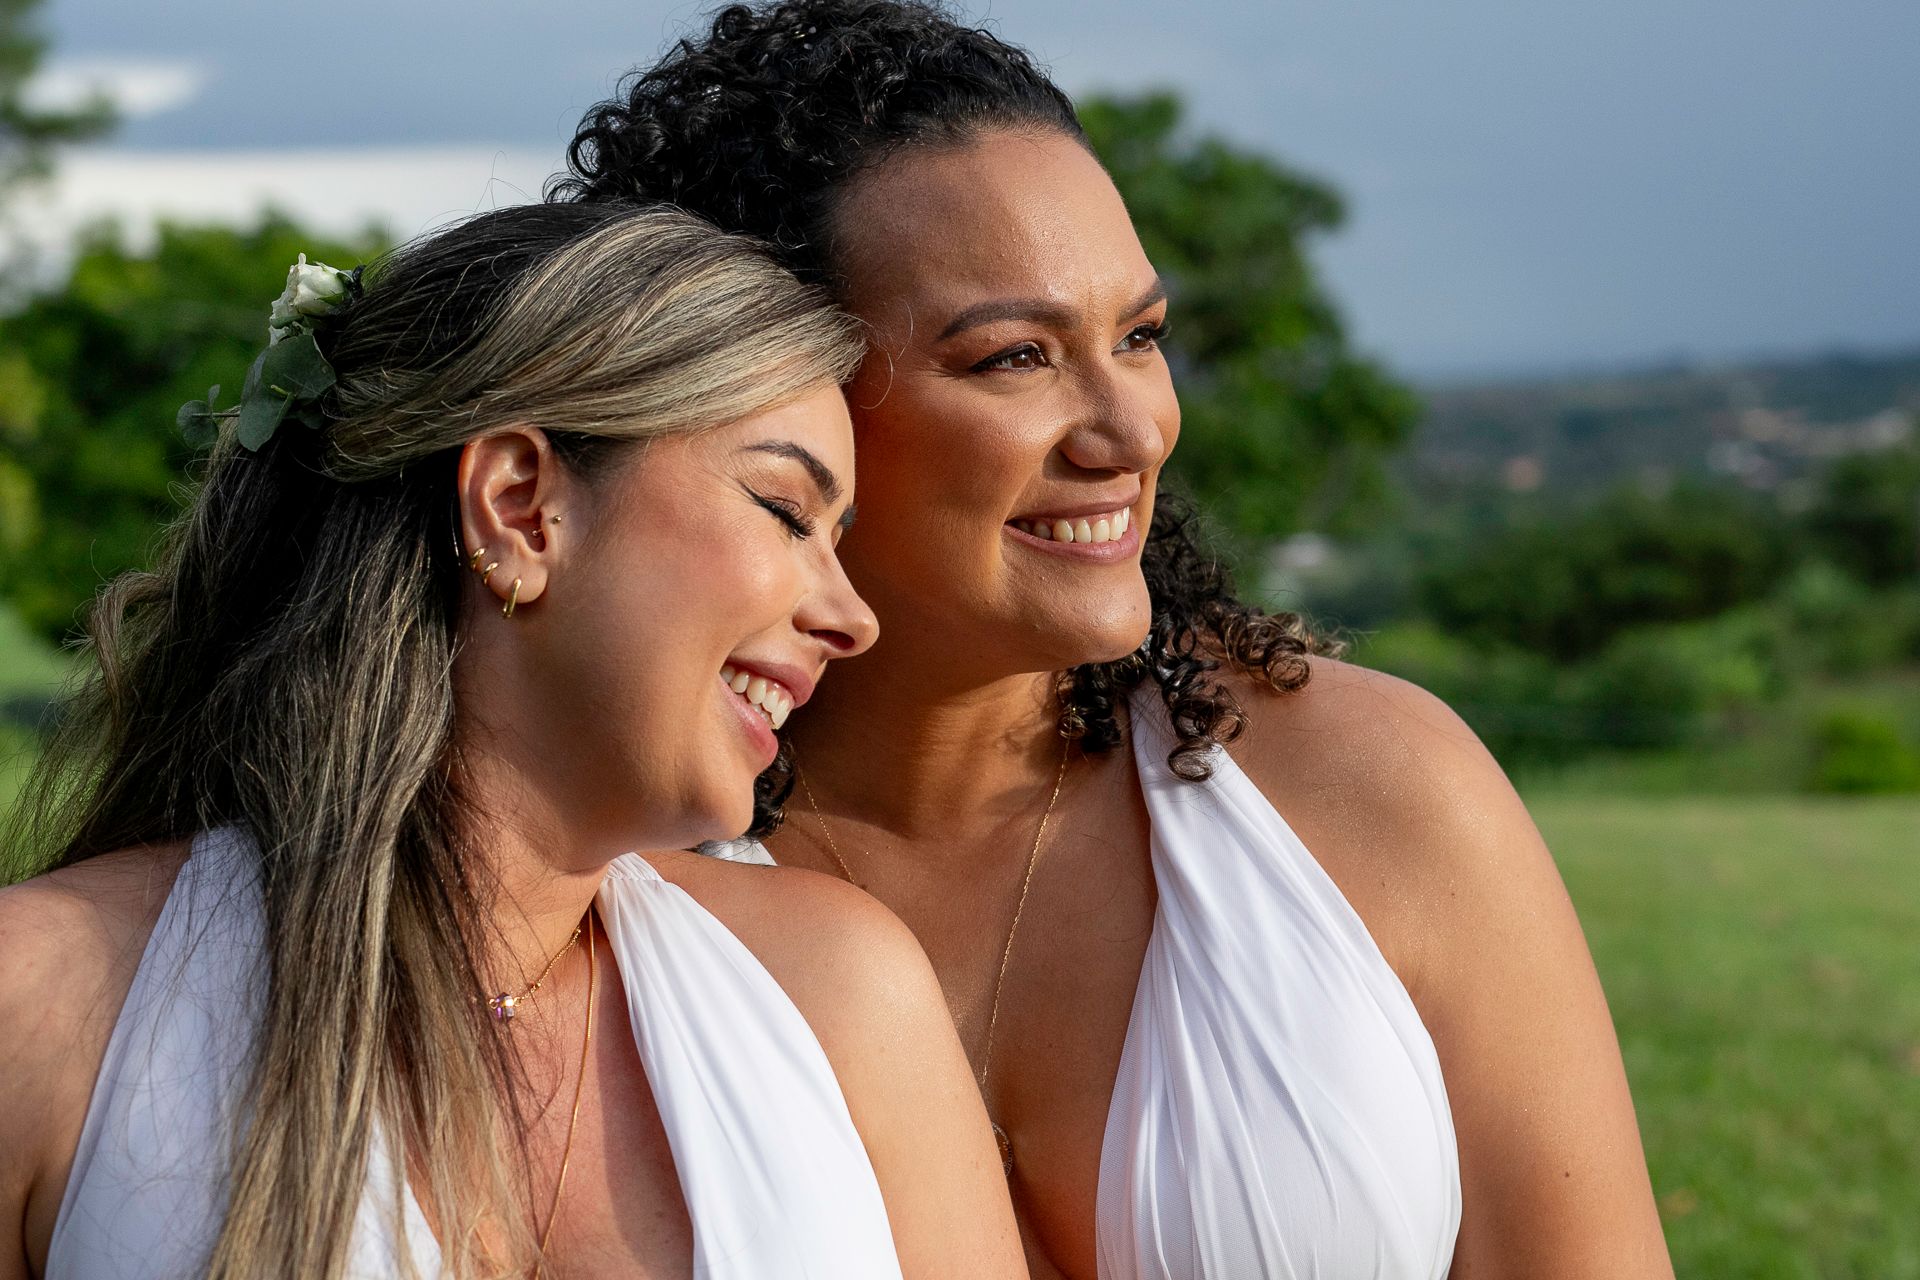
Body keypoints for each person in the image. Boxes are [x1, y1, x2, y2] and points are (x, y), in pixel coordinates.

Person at [555, 4, 1677, 1277]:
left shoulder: (1376, 793)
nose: (1132, 431)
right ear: (765, 396)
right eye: (1015, 357)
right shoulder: (587, 886)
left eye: (1139, 337)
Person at [0, 202, 1026, 1279]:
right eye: (785, 509)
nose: (852, 618)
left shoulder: (842, 1002)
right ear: (521, 505)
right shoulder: (41, 1008)